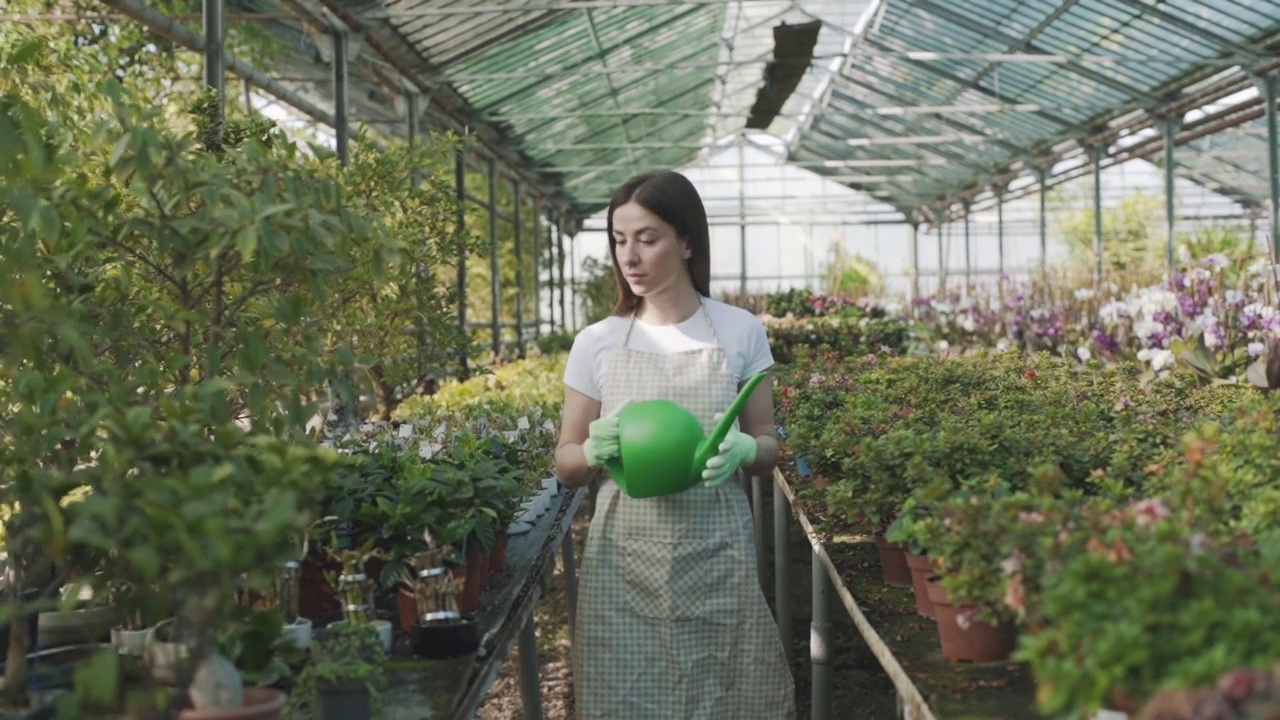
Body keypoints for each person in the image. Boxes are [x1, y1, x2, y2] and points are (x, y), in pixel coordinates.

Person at [556, 171, 796, 719]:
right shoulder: (596, 342)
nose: (630, 257)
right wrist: (591, 453)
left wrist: (745, 450)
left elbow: (767, 447)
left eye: (647, 238)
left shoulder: (739, 332)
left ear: (687, 241)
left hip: (715, 554)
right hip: (623, 563)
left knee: (724, 693)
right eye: (619, 241)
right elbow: (566, 463)